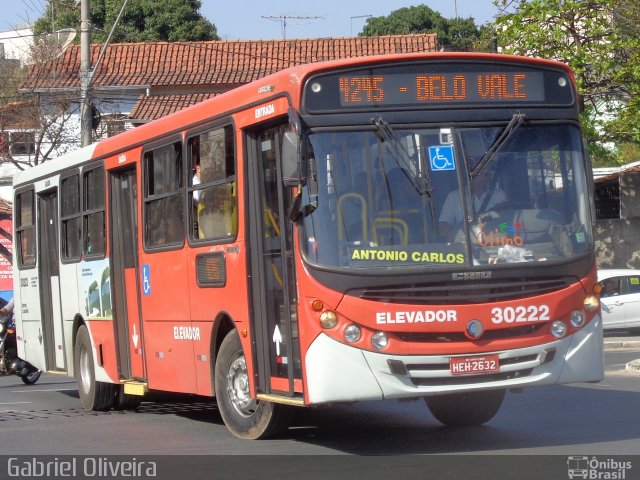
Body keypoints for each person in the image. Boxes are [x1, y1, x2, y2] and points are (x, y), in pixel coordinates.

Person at [438, 167, 507, 239]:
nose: (481, 173)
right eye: (476, 172)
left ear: (488, 177)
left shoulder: (499, 195)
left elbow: (506, 221)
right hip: (466, 245)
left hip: (494, 241)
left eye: (484, 172)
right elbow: (444, 224)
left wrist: (501, 230)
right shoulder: (454, 197)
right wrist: (454, 236)